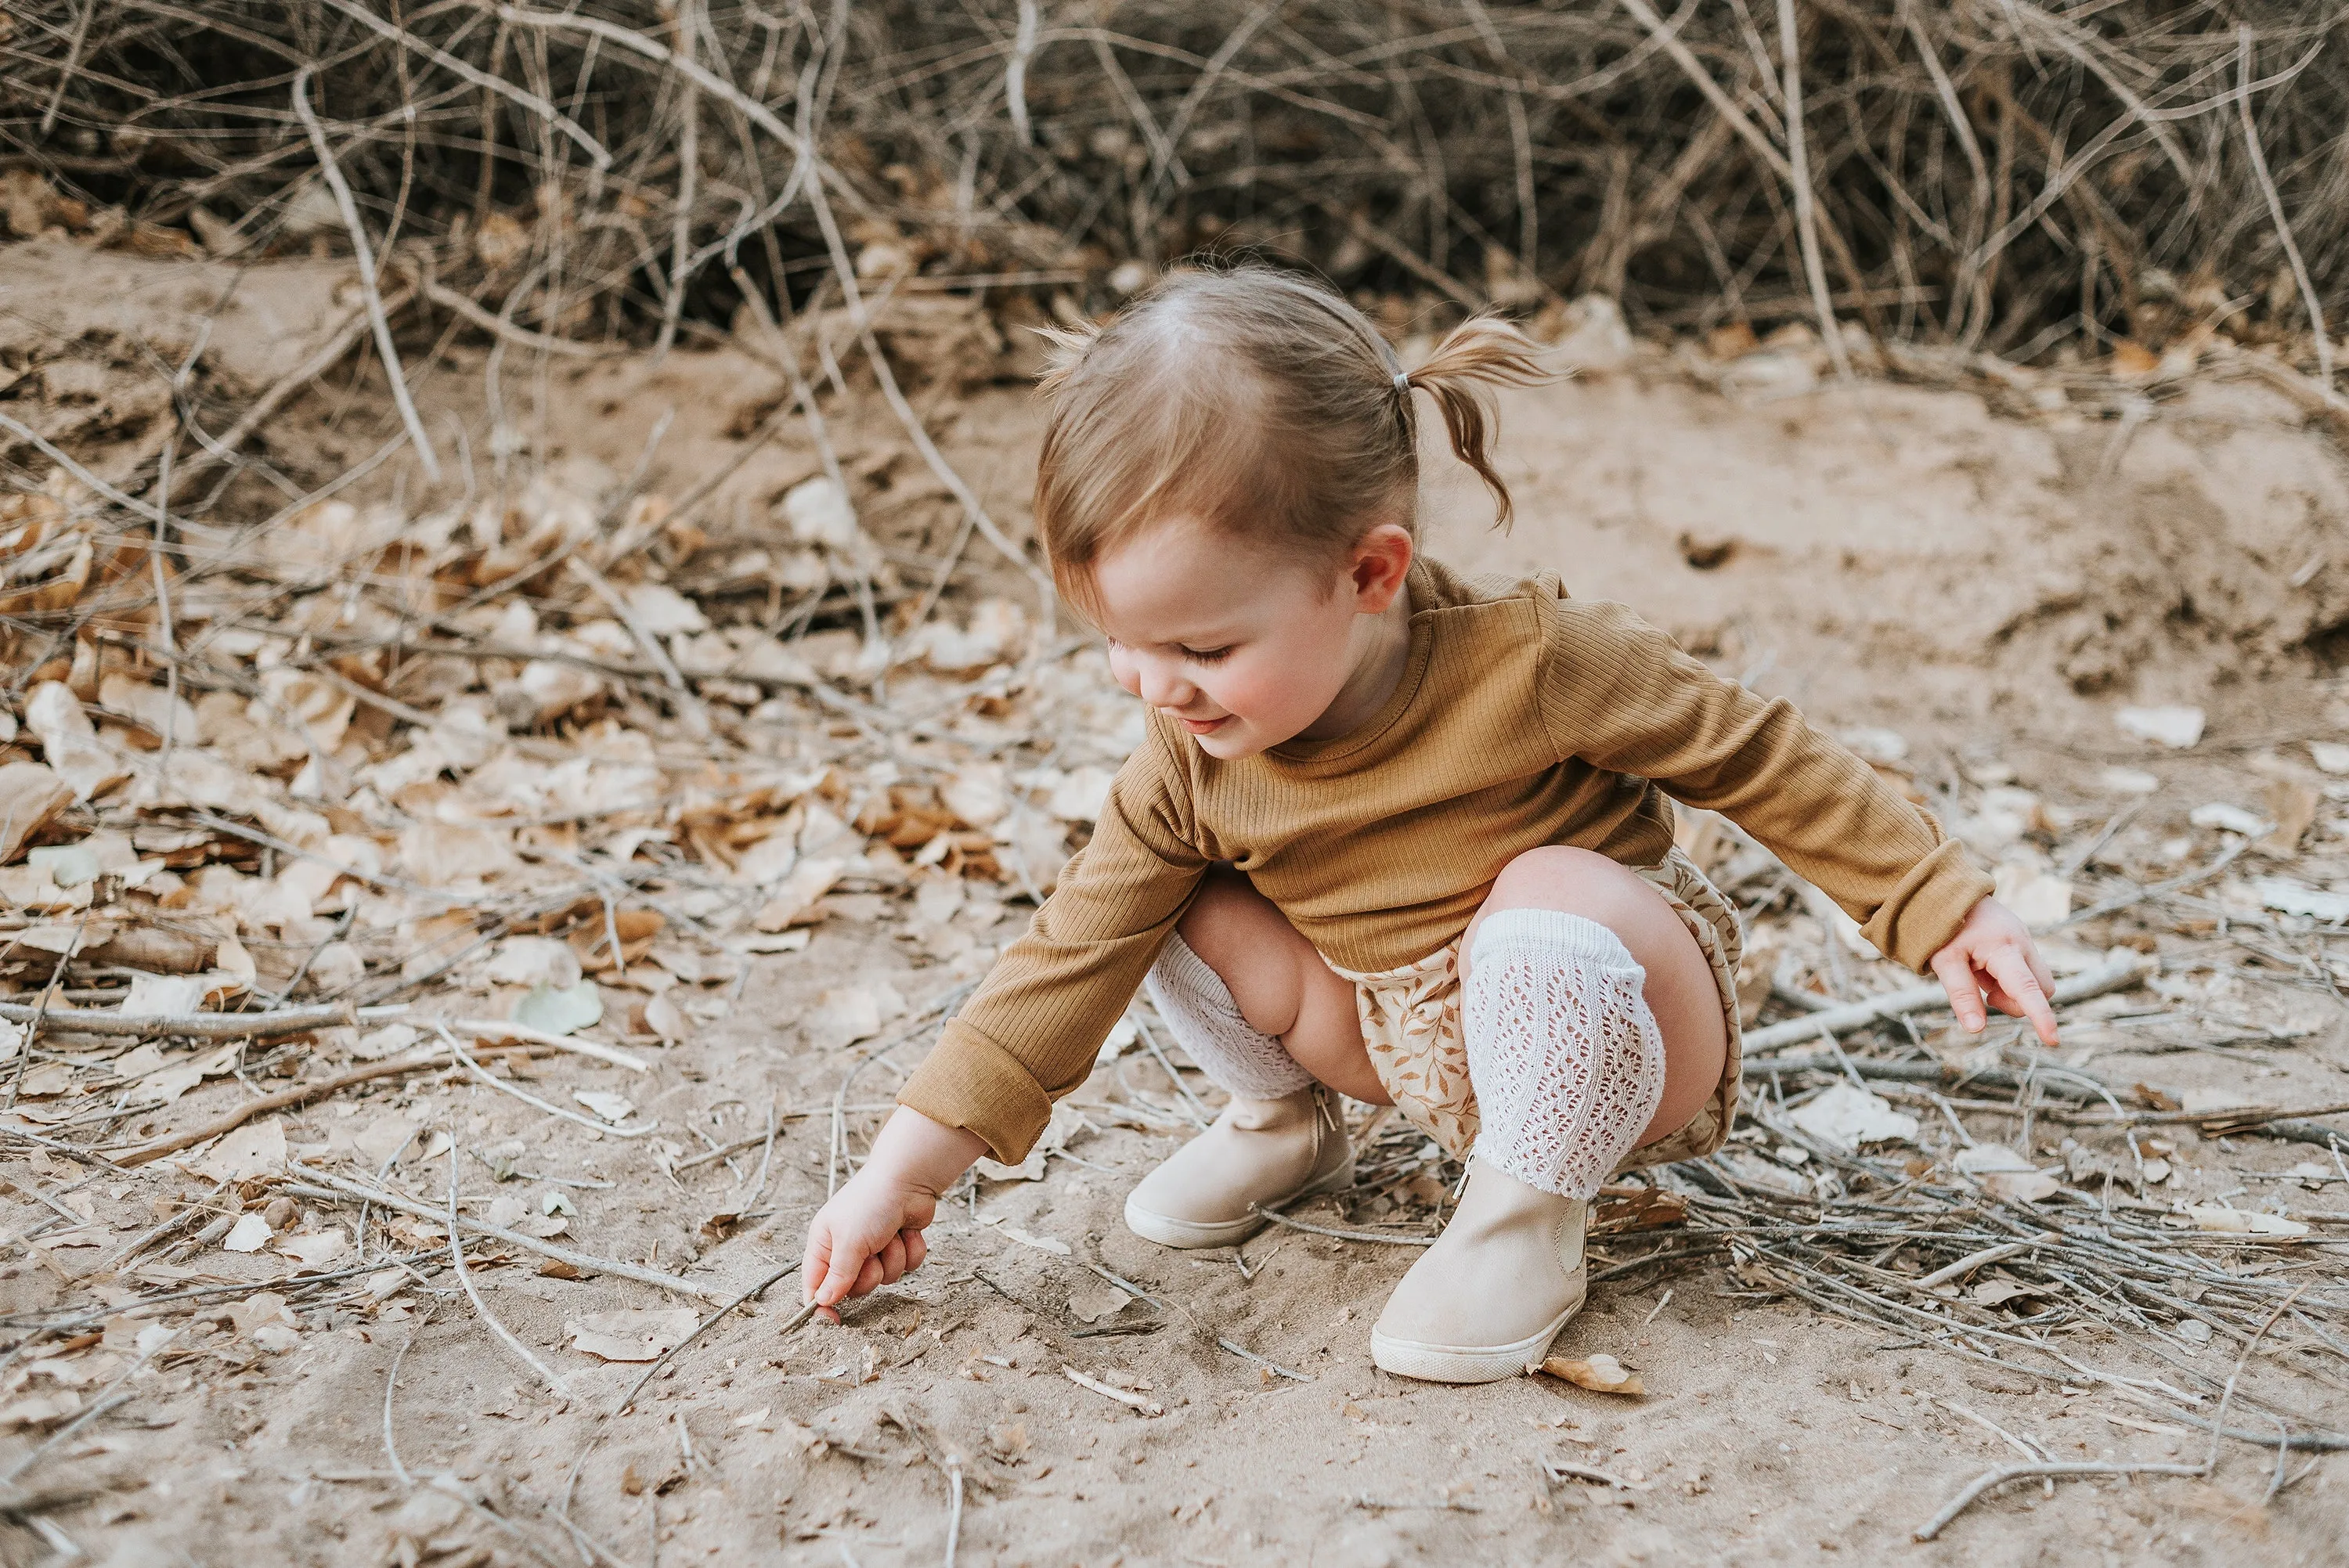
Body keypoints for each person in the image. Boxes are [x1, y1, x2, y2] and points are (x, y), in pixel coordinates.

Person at [799, 264, 2058, 1382]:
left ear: (1369, 574)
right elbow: (1065, 957)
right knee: (1148, 897)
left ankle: (1527, 1219)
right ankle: (1281, 1126)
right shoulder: (1189, 760)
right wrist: (897, 1174)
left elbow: (1757, 750)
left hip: (1621, 1035)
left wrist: (1939, 900)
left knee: (1550, 895)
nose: (1154, 686)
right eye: (1120, 645)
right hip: (1395, 1039)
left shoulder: (1536, 662)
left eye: (1200, 646)